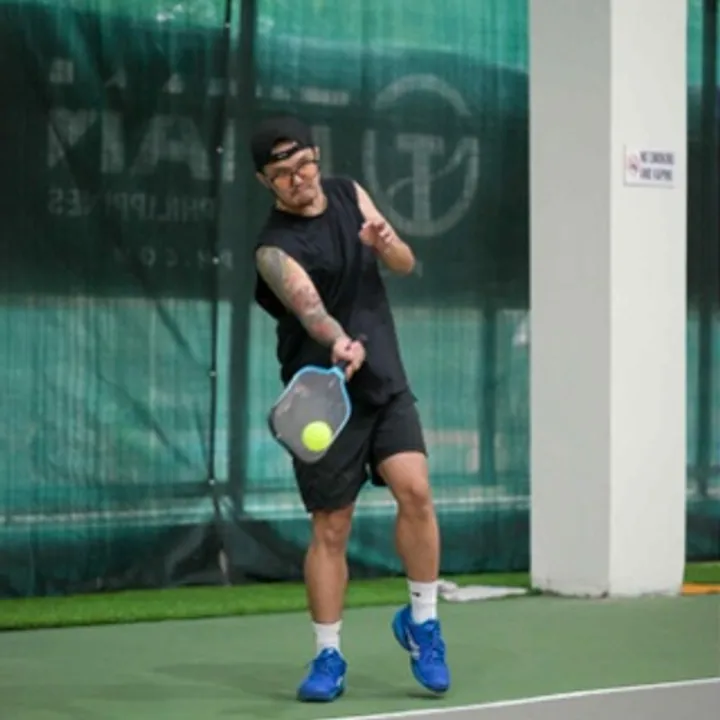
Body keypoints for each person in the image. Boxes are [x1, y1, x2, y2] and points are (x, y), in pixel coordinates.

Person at [250, 115, 450, 702]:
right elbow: (310, 309)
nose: (299, 179)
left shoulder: (348, 192)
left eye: (304, 164)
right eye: (283, 173)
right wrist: (337, 340)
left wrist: (387, 244)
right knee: (332, 527)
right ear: (265, 181)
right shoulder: (273, 248)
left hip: (383, 377)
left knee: (415, 490)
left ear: (317, 156)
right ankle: (328, 655)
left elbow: (405, 263)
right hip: (321, 399)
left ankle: (422, 622)